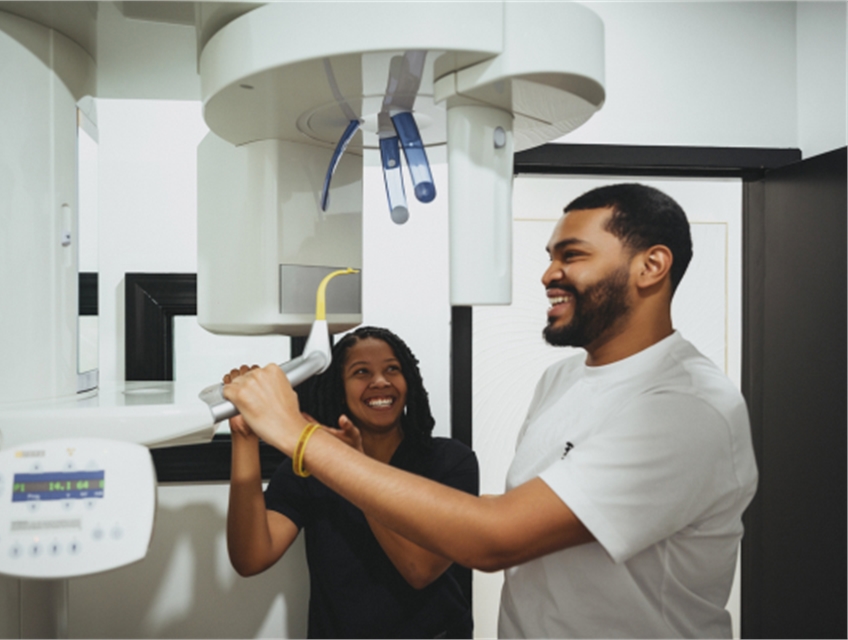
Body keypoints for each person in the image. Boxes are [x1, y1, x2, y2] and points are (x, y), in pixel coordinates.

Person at [223, 183, 759, 638]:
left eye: (571, 255)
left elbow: (493, 538)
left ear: (651, 266)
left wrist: (298, 435)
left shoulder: (686, 409)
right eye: (550, 257)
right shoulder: (563, 379)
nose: (548, 274)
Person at [225, 326, 478, 639]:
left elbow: (419, 569)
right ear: (338, 389)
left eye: (392, 369)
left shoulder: (450, 461)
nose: (381, 381)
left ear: (408, 381)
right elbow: (251, 557)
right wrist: (244, 436)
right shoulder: (309, 467)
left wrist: (350, 466)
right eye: (361, 372)